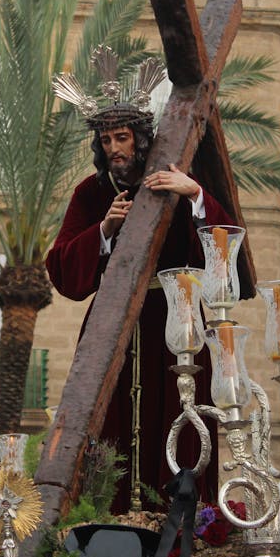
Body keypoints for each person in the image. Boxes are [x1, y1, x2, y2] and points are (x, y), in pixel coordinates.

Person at [47, 53, 233, 513]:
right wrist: (103, 230)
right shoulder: (91, 195)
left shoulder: (175, 181)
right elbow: (62, 269)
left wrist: (195, 196)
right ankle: (102, 520)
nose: (115, 148)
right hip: (112, 325)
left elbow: (225, 247)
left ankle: (186, 526)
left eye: (123, 137)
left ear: (142, 138)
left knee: (180, 421)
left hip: (177, 320)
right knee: (107, 425)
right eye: (107, 139)